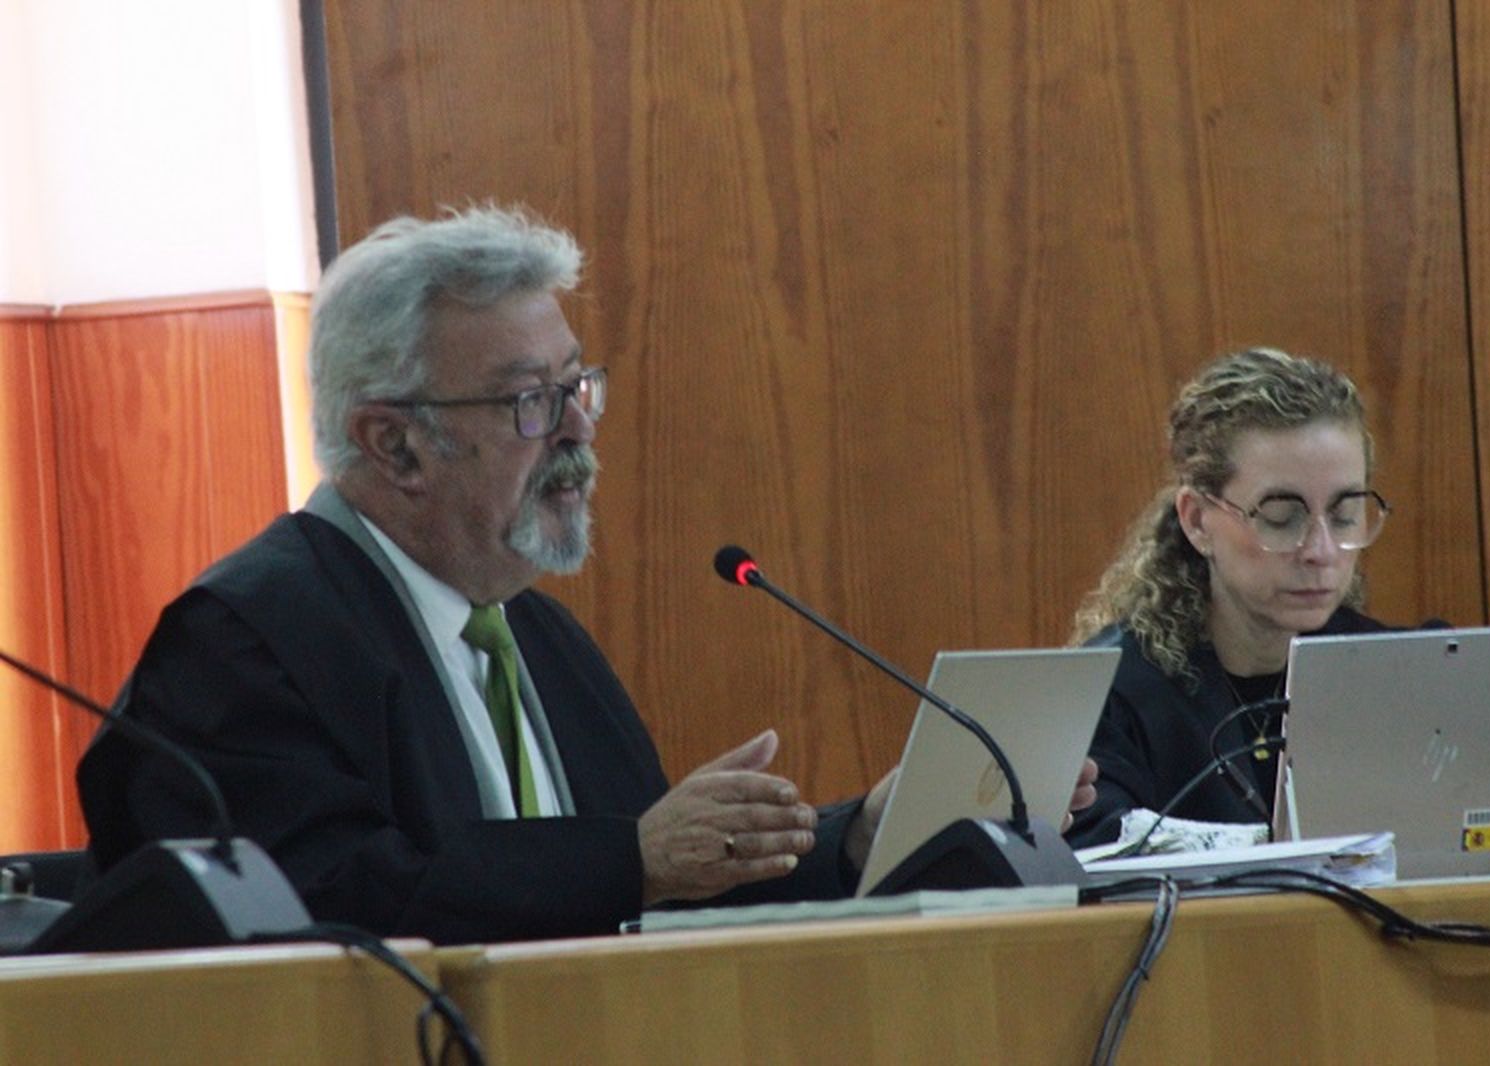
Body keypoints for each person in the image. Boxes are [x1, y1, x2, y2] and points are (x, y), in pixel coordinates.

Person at [77, 205, 913, 945]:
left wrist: (851, 840)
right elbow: (330, 908)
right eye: (531, 401)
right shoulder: (244, 644)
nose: (579, 427)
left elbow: (653, 902)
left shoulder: (536, 634)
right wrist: (631, 861)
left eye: (577, 385)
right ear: (394, 445)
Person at [1066, 348, 1393, 846]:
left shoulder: (1398, 670)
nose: (1322, 551)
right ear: (1198, 521)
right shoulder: (1109, 696)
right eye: (1282, 518)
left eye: (1345, 514)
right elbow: (1096, 850)